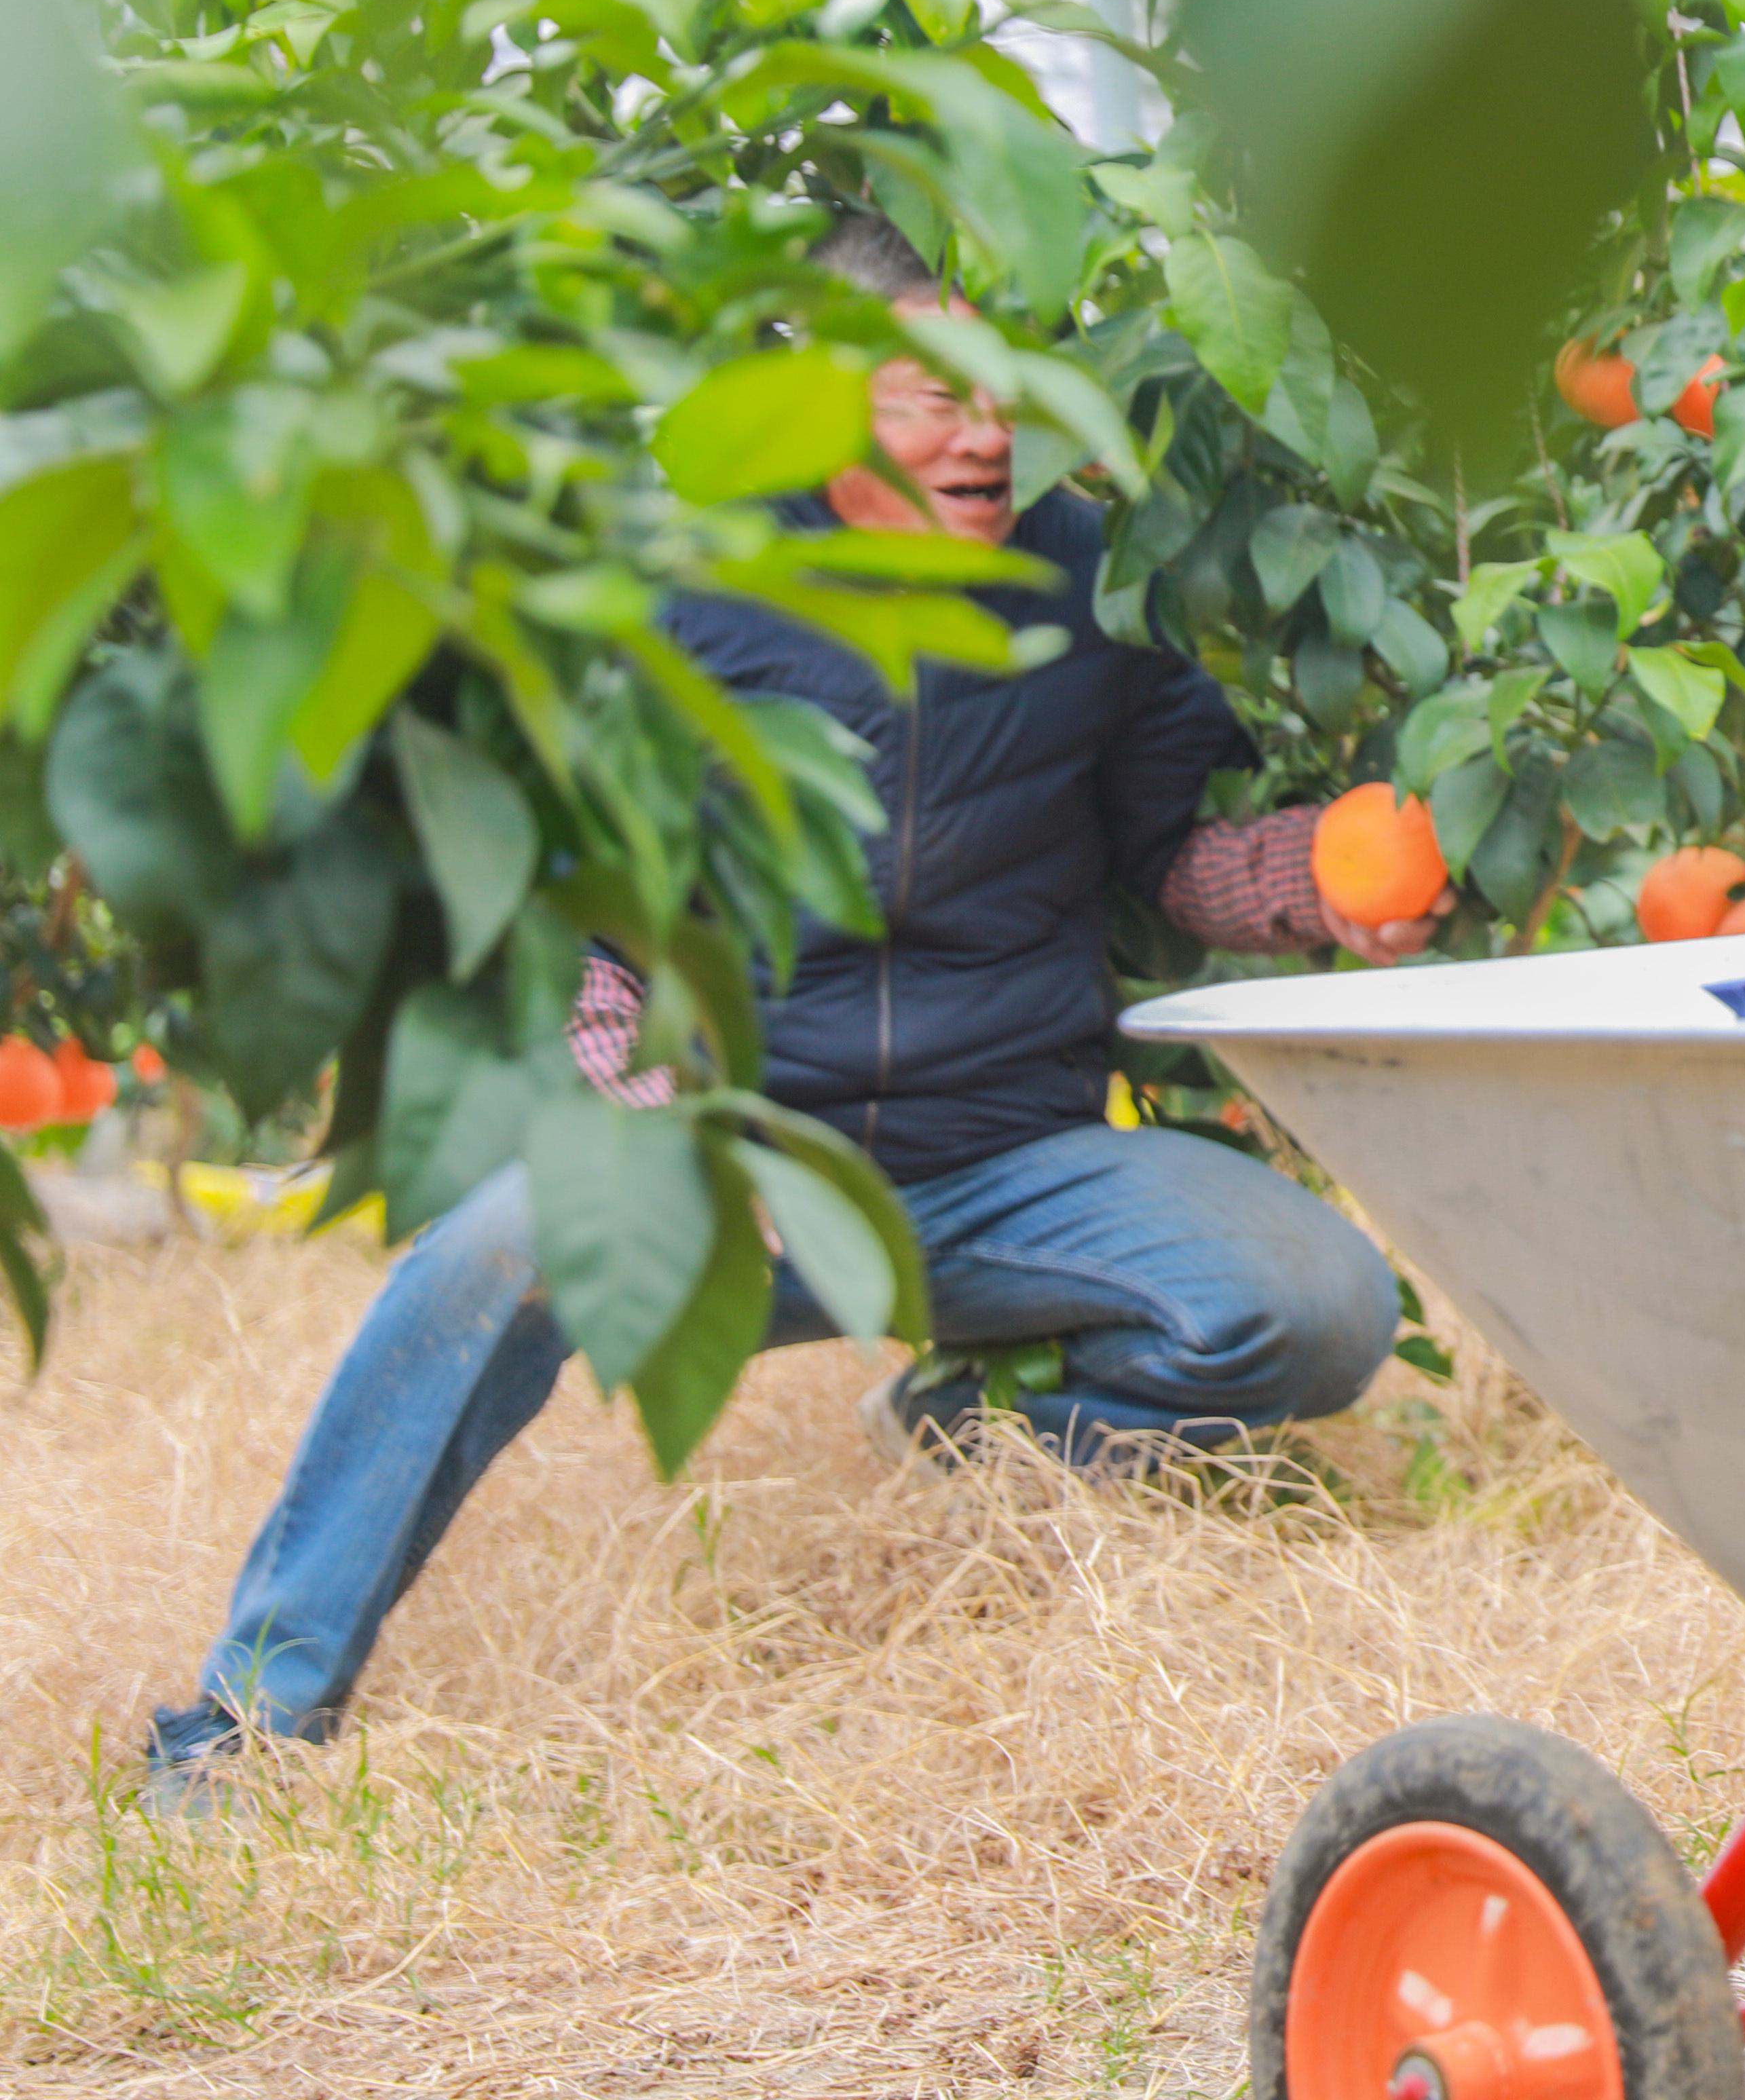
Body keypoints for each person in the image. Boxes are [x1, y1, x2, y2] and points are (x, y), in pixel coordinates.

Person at [140, 214, 1437, 1801]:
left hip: (1009, 1156)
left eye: (1006, 391)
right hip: (746, 1161)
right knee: (484, 1254)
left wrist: (1317, 876)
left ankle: (980, 1437)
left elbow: (1166, 854)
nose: (985, 432)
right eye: (927, 392)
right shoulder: (684, 591)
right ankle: (251, 1717)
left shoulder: (1097, 586)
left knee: (1321, 1301)